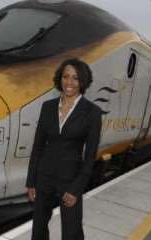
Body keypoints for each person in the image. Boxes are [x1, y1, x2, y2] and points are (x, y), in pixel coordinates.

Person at [25, 58, 102, 240]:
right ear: (60, 78)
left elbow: (90, 156)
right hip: (44, 176)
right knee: (38, 229)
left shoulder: (92, 112)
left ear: (83, 81)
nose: (69, 82)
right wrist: (31, 181)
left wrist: (76, 188)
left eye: (75, 78)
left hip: (71, 179)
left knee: (71, 231)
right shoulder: (47, 107)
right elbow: (38, 146)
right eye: (66, 76)